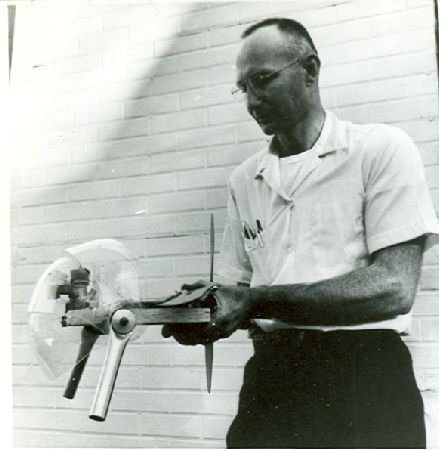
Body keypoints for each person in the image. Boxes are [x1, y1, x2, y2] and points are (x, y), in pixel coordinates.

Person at [162, 17, 439, 448]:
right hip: (273, 380)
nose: (252, 101)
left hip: (363, 378)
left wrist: (254, 300)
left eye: (263, 80)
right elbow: (236, 293)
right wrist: (198, 312)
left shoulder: (379, 150)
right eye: (243, 87)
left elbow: (393, 287)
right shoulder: (243, 180)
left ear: (310, 70)